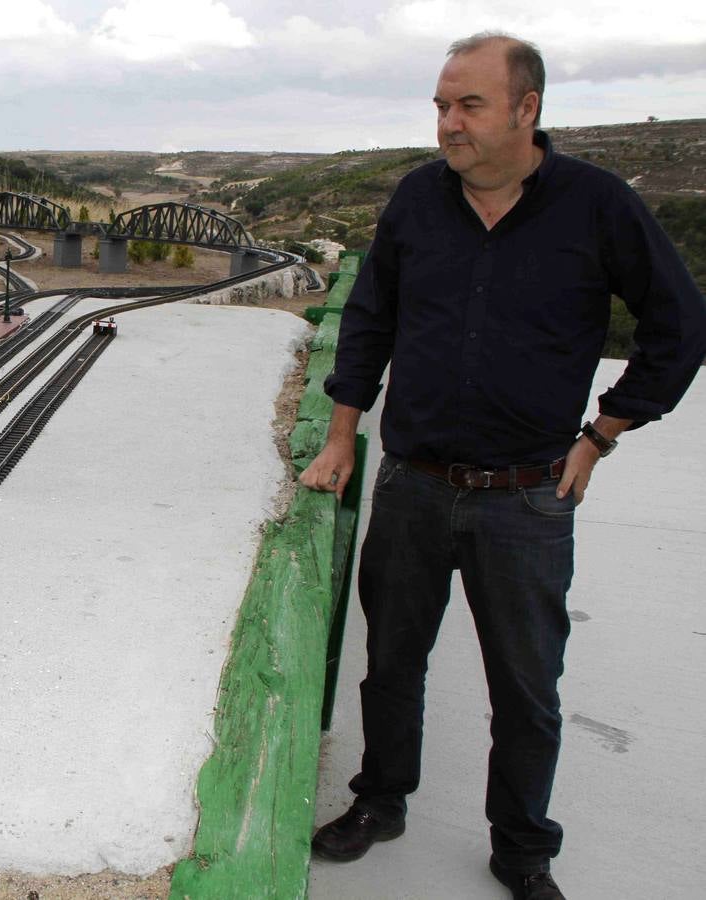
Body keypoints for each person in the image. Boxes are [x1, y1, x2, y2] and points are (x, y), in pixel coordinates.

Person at [299, 31, 706, 900]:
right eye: (441, 105)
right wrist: (341, 435)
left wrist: (601, 435)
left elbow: (681, 326)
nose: (448, 123)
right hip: (413, 483)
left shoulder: (596, 206)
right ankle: (381, 800)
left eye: (468, 105)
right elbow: (368, 321)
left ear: (527, 109)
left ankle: (522, 849)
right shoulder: (416, 200)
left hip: (527, 498)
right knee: (393, 663)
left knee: (527, 688)